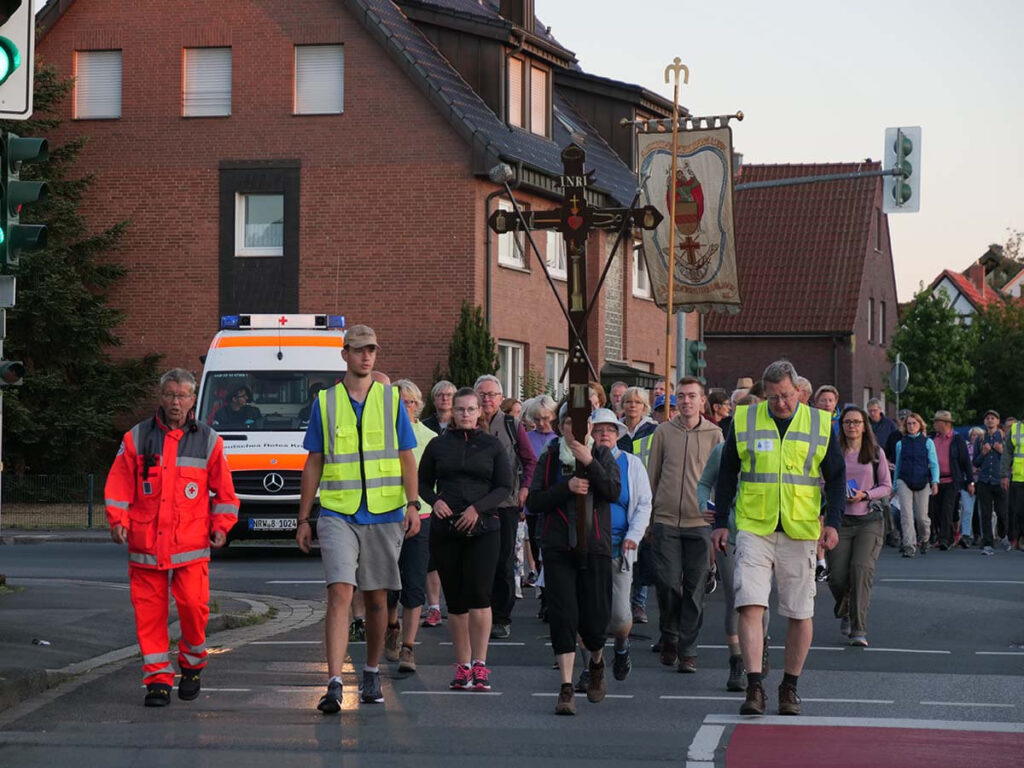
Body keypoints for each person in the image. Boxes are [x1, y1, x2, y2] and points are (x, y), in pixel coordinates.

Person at [295, 325, 421, 713]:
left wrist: (413, 503)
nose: (367, 356)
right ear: (345, 354)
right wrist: (304, 517)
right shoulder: (326, 402)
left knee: (378, 598)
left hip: (383, 511)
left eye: (372, 350)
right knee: (339, 591)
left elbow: (405, 456)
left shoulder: (389, 399)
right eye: (360, 350)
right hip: (337, 511)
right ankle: (334, 682)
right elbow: (313, 460)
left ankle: (369, 672)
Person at [712, 360, 845, 716]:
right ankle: (755, 687)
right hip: (754, 526)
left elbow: (835, 476)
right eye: (772, 398)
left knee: (800, 613)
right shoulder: (745, 420)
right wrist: (721, 522)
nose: (780, 404)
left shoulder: (819, 422)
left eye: (786, 396)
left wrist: (832, 522)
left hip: (800, 529)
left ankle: (790, 687)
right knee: (750, 603)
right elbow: (727, 473)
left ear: (799, 391)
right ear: (764, 393)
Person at [104, 368, 239, 707]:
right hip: (146, 545)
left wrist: (221, 526)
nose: (175, 402)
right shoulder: (136, 438)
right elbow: (119, 484)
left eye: (182, 396)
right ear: (160, 397)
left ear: (193, 400)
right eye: (169, 395)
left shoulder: (209, 440)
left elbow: (224, 492)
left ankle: (192, 665)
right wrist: (117, 520)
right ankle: (158, 681)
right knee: (149, 617)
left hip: (191, 546)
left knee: (194, 609)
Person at [528, 404, 621, 715]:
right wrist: (565, 487)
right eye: (568, 423)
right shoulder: (551, 455)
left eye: (580, 424)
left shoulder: (603, 454)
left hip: (595, 546)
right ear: (561, 426)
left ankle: (596, 660)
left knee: (595, 623)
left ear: (590, 426)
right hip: (558, 546)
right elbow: (536, 500)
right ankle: (566, 688)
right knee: (563, 616)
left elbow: (612, 491)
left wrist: (589, 463)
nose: (574, 430)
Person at [418, 387, 512, 691]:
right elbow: (421, 483)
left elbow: (504, 487)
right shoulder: (437, 445)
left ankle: (481, 664)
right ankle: (462, 665)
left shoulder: (493, 446)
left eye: (472, 409)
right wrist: (435, 501)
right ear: (452, 413)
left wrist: (477, 508)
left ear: (480, 412)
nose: (466, 415)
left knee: (480, 596)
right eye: (460, 410)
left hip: (484, 529)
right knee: (455, 600)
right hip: (447, 530)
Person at [648, 377, 723, 672]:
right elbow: (652, 475)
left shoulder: (715, 434)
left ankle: (687, 649)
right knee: (667, 584)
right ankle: (670, 634)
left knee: (694, 590)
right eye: (681, 396)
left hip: (700, 523)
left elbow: (722, 480)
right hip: (666, 520)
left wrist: (719, 521)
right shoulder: (664, 432)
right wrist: (649, 520)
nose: (687, 401)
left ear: (703, 401)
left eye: (692, 396)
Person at [474, 375, 537, 640]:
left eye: (491, 395)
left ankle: (501, 617)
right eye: (482, 394)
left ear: (501, 398)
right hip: (474, 506)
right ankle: (479, 613)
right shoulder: (468, 424)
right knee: (478, 562)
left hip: (505, 505)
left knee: (503, 561)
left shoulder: (511, 424)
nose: (487, 400)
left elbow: (529, 459)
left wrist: (524, 488)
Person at [383, 379, 438, 673]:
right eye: (399, 402)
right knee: (389, 583)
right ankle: (392, 625)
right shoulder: (381, 435)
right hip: (386, 516)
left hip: (421, 517)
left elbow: (433, 481)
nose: (405, 407)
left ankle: (408, 646)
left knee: (414, 582)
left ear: (418, 406)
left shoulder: (429, 438)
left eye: (410, 402)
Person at [827, 405, 892, 647]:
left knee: (860, 569)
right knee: (836, 577)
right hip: (840, 520)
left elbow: (887, 486)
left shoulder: (875, 452)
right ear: (841, 426)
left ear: (865, 426)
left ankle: (858, 628)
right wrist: (836, 492)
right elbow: (822, 481)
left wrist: (865, 494)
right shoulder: (834, 452)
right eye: (847, 422)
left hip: (869, 520)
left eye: (856, 422)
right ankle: (846, 609)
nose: (852, 426)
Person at [420, 379, 456, 627]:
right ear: (433, 400)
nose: (444, 398)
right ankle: (433, 605)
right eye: (440, 395)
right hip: (431, 500)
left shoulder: (462, 427)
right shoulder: (425, 427)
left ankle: (455, 604)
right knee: (431, 558)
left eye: (449, 395)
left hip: (457, 500)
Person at [892, 412, 939, 557]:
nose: (911, 426)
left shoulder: (927, 442)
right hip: (904, 480)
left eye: (914, 423)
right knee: (906, 515)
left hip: (922, 481)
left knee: (922, 517)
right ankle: (909, 545)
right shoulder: (900, 444)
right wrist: (895, 485)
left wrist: (935, 481)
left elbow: (934, 464)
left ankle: (924, 538)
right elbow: (898, 465)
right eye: (909, 424)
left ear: (920, 425)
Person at [928, 410, 973, 550]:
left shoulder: (957, 439)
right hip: (936, 480)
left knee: (947, 510)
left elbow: (965, 461)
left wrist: (970, 481)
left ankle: (944, 540)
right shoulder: (932, 439)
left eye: (937, 421)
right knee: (936, 510)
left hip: (952, 480)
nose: (934, 424)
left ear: (946, 424)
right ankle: (947, 535)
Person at [974, 411, 1008, 554]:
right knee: (986, 514)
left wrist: (1001, 451)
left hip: (999, 480)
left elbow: (1010, 460)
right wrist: (983, 453)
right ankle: (988, 543)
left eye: (992, 418)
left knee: (1002, 512)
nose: (990, 421)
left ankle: (1004, 534)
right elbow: (975, 462)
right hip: (984, 480)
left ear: (998, 421)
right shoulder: (981, 439)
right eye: (987, 418)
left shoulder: (1005, 437)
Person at [1001, 416, 1024, 550]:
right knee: (1019, 510)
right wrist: (1004, 475)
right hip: (1018, 477)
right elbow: (1007, 454)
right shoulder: (1015, 428)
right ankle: (1020, 536)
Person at [618, 386, 658, 454]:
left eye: (638, 402)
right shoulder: (616, 429)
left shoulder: (654, 430)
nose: (633, 405)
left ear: (644, 406)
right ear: (622, 405)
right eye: (628, 402)